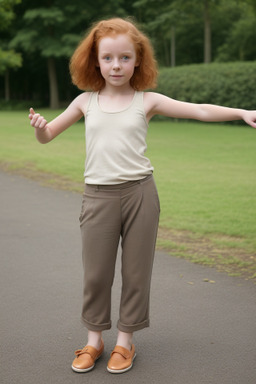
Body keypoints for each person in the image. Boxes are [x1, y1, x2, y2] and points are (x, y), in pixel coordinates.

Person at [29, 17, 256, 374]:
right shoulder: (85, 101)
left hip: (140, 196)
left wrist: (242, 112)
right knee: (96, 274)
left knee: (136, 274)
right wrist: (41, 129)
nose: (116, 65)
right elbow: (48, 136)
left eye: (124, 58)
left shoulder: (146, 100)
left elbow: (198, 110)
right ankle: (93, 341)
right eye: (107, 58)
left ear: (138, 61)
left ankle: (125, 342)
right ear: (95, 61)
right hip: (98, 197)